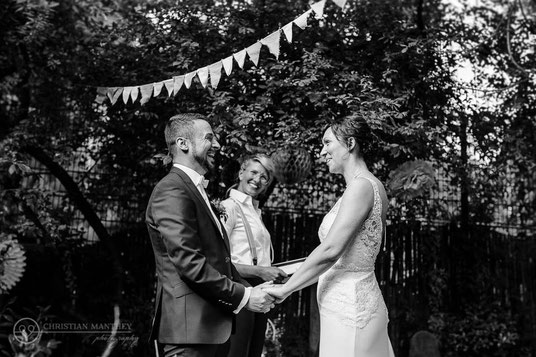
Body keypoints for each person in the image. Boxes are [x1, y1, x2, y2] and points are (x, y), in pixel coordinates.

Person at [263, 115, 395, 357]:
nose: (322, 151)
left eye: (327, 142)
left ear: (350, 143)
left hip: (351, 308)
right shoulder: (370, 186)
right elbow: (346, 256)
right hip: (350, 302)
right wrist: (292, 279)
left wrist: (287, 290)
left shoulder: (361, 186)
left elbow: (332, 250)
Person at [145, 113, 275, 357]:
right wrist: (245, 295)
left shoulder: (194, 189)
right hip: (190, 330)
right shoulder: (172, 190)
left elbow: (220, 260)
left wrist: (259, 290)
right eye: (209, 138)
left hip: (213, 327)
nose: (217, 144)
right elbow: (190, 264)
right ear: (183, 144)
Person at [219, 154, 288, 357]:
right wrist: (260, 271)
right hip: (240, 290)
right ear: (241, 173)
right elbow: (219, 261)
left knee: (253, 352)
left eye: (265, 177)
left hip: (260, 291)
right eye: (254, 172)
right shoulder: (228, 207)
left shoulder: (254, 211)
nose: (258, 180)